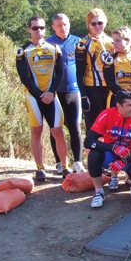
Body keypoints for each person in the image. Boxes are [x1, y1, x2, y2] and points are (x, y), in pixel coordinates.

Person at [17, 16, 69, 181]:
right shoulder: (22, 51)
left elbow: (60, 73)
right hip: (34, 97)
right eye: (34, 28)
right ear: (29, 30)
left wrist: (51, 92)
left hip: (51, 95)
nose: (38, 31)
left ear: (45, 29)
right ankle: (40, 168)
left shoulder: (55, 48)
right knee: (36, 131)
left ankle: (65, 167)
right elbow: (24, 77)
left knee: (58, 131)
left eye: (41, 27)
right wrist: (40, 94)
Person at [84, 90, 131, 208]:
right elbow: (88, 142)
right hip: (111, 155)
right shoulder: (106, 115)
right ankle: (99, 192)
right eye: (130, 105)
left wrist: (124, 161)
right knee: (94, 155)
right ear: (119, 105)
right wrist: (113, 147)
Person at [46, 13, 85, 175]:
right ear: (53, 27)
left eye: (66, 24)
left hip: (74, 91)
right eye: (60, 25)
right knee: (56, 129)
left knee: (75, 128)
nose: (63, 27)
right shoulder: (47, 43)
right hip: (55, 92)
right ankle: (59, 163)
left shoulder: (78, 42)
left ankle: (78, 162)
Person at [76, 8, 114, 129]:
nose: (97, 26)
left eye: (100, 23)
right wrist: (83, 96)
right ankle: (91, 148)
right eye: (94, 23)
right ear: (89, 25)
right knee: (93, 127)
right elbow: (79, 72)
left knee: (110, 125)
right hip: (92, 89)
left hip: (110, 88)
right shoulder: (83, 43)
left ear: (105, 22)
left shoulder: (112, 42)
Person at [104, 27, 131, 109]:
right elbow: (110, 82)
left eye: (118, 40)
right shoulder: (110, 59)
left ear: (127, 41)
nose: (114, 43)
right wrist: (125, 97)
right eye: (114, 40)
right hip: (116, 100)